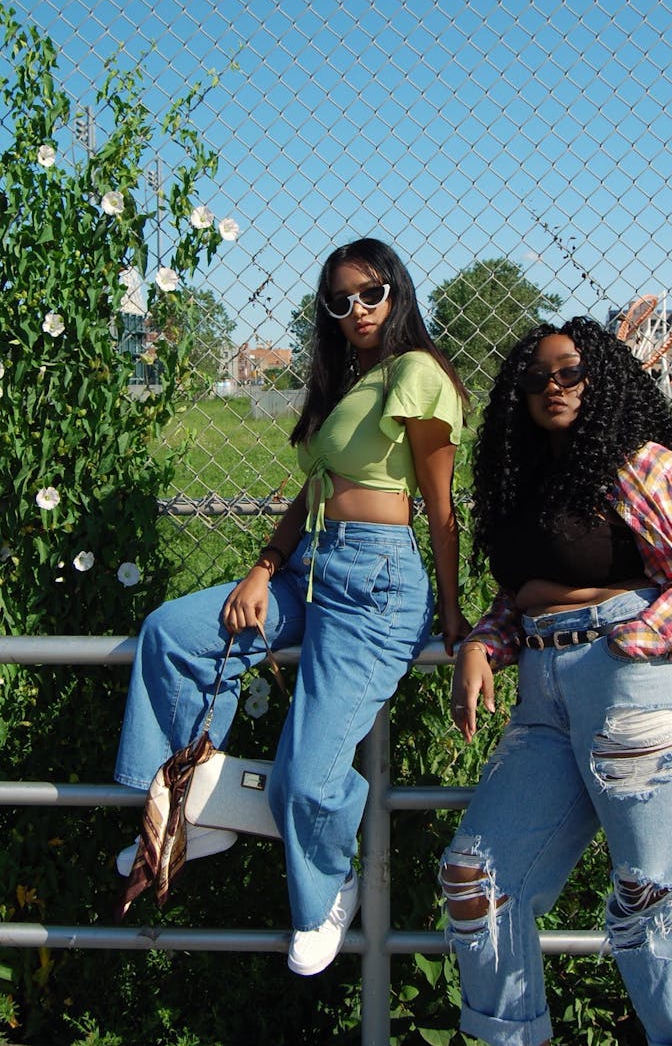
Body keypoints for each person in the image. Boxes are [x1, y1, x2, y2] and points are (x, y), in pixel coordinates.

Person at [114, 237, 470, 975]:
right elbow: (313, 493)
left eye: (370, 293)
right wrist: (261, 565)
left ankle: (327, 891)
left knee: (304, 777)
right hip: (308, 566)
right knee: (172, 633)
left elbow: (441, 509)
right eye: (340, 301)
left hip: (378, 584)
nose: (357, 310)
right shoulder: (348, 383)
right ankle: (183, 812)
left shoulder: (416, 373)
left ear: (396, 291)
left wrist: (457, 618)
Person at [440, 317, 672, 1046]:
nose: (552, 388)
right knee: (476, 877)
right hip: (543, 692)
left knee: (655, 898)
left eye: (569, 373)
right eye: (535, 379)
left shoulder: (643, 465)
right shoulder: (523, 482)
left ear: (603, 379)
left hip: (632, 685)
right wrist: (484, 643)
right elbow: (525, 592)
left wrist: (637, 638)